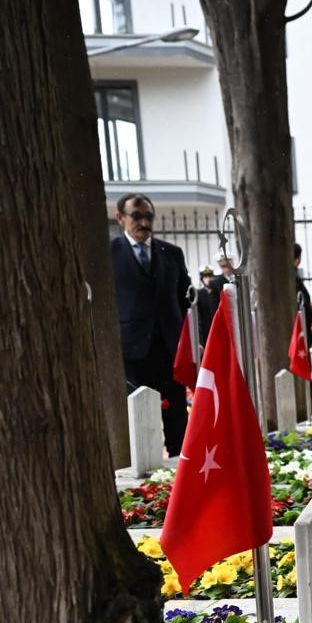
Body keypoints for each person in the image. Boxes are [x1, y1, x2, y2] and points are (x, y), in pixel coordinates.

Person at [110, 193, 192, 456]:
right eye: (137, 216)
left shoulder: (172, 254)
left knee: (177, 415)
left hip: (170, 350)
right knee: (140, 418)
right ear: (120, 218)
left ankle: (180, 464)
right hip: (132, 352)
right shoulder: (108, 255)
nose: (144, 222)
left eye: (148, 216)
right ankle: (146, 472)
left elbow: (185, 299)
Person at [194, 266, 218, 343]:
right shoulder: (199, 294)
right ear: (202, 279)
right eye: (205, 277)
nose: (208, 279)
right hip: (206, 331)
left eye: (210, 276)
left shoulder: (218, 292)